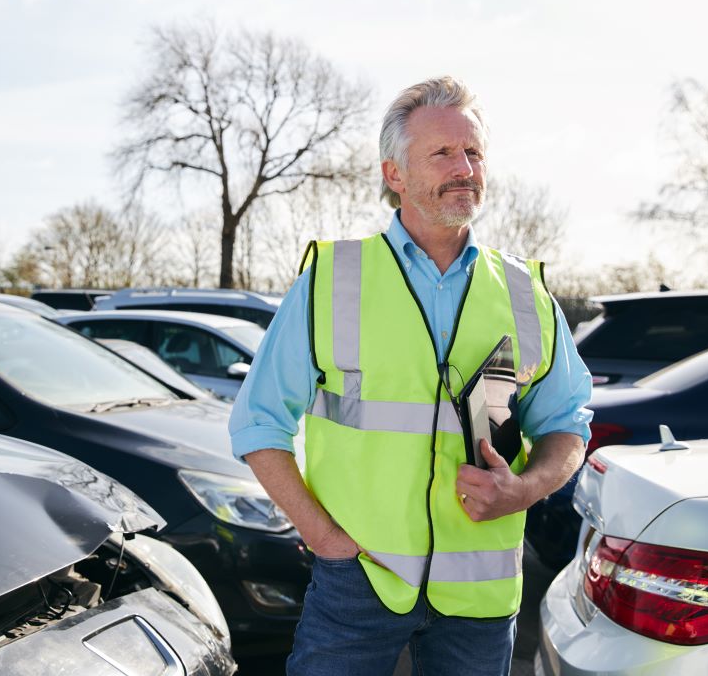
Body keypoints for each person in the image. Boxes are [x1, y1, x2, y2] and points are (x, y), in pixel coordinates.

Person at [228, 76, 592, 676]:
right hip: (359, 581)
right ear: (394, 174)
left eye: (473, 152)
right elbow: (257, 425)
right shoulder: (332, 278)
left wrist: (526, 488)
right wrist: (326, 541)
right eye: (443, 153)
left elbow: (568, 425)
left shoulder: (526, 292)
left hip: (480, 594)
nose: (465, 168)